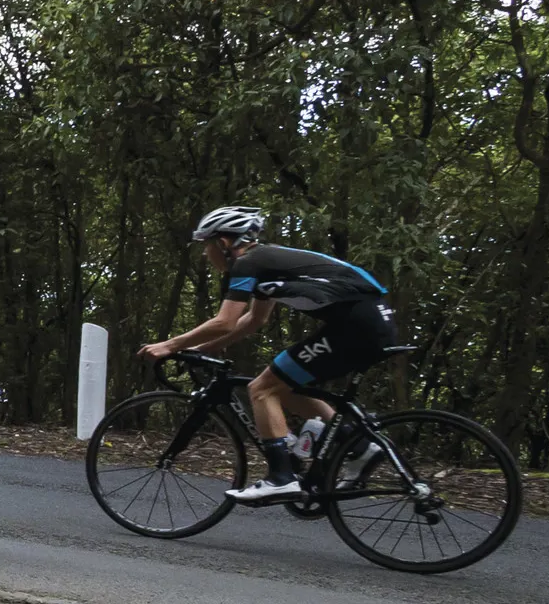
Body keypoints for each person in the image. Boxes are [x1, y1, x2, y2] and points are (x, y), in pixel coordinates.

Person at [139, 206, 399, 503]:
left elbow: (224, 321)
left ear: (224, 244)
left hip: (356, 327)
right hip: (372, 322)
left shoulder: (248, 263)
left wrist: (170, 345)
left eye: (207, 245)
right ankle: (358, 445)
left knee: (261, 388)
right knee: (281, 385)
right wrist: (202, 348)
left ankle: (281, 478)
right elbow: (253, 320)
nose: (204, 254)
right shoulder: (266, 263)